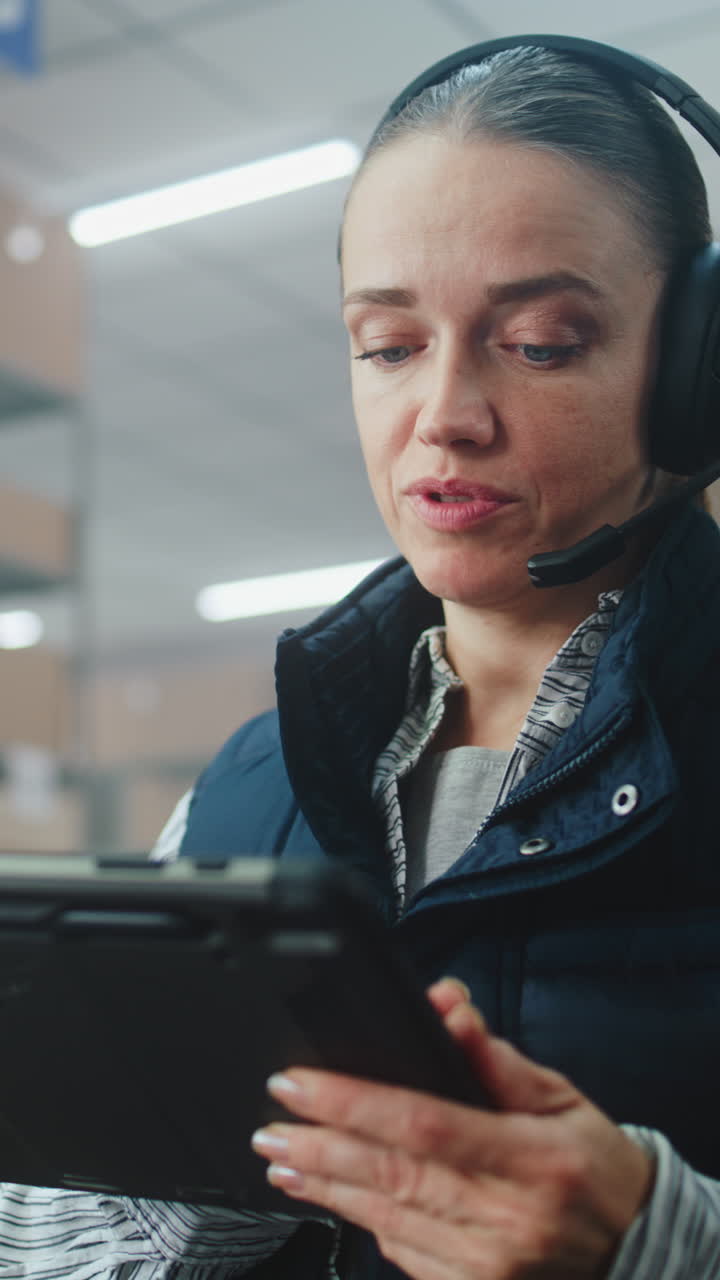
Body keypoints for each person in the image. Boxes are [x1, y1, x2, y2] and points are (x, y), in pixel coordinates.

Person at [2, 32, 720, 1280]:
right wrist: (184, 1187)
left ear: (697, 367)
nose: (443, 414)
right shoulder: (251, 778)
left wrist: (664, 1240)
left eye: (540, 341)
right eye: (389, 345)